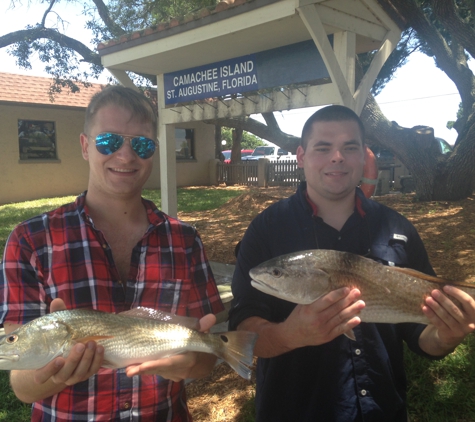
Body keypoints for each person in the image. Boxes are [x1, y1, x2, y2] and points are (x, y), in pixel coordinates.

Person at [228, 105, 475, 421]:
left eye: (349, 147)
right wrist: (291, 334)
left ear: (364, 156)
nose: (337, 157)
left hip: (383, 411)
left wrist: (447, 336)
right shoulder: (265, 229)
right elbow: (243, 331)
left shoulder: (399, 229)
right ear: (301, 156)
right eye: (323, 147)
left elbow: (421, 336)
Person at [0, 86, 224, 421]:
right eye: (108, 141)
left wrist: (195, 362)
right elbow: (21, 384)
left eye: (142, 145)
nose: (125, 155)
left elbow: (204, 358)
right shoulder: (30, 241)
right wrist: (57, 370)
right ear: (85, 146)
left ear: (154, 152)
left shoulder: (185, 240)